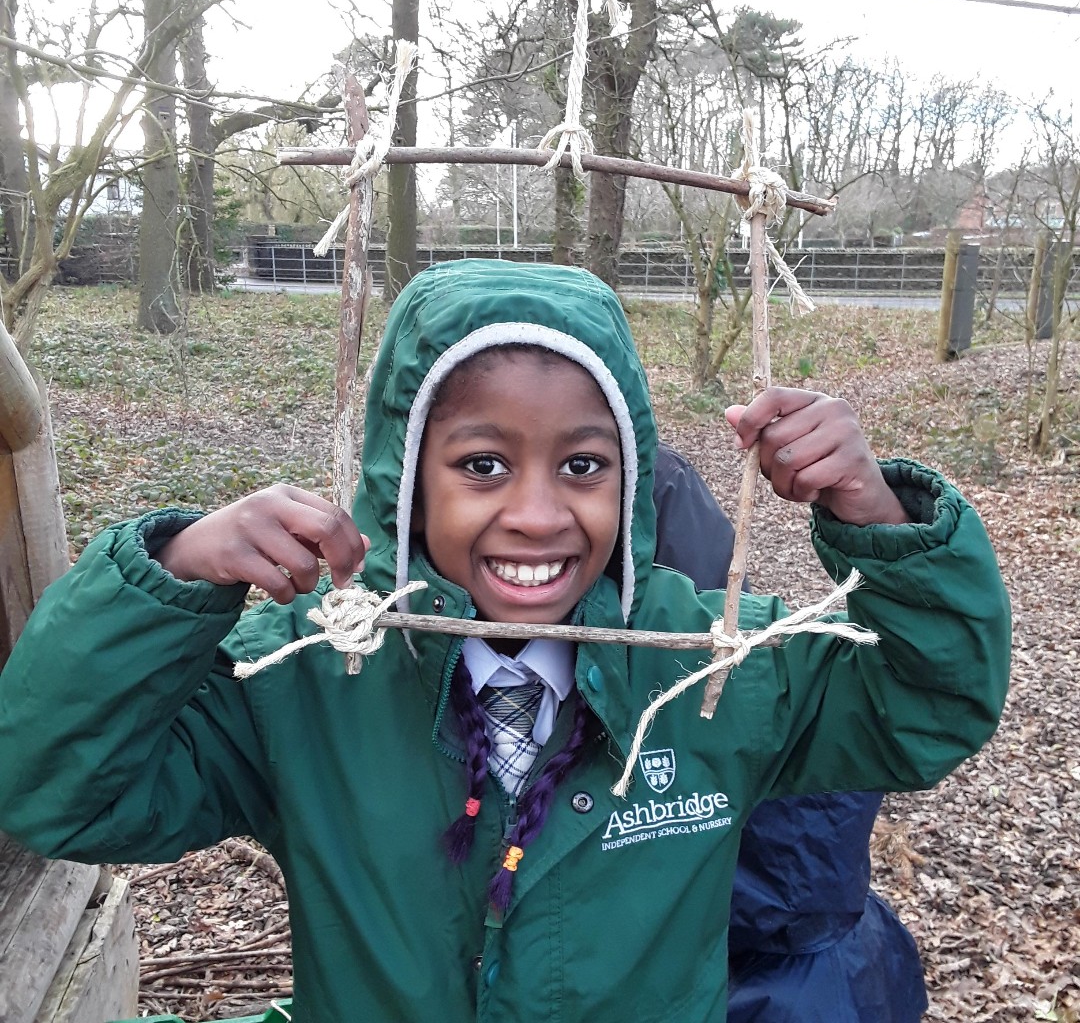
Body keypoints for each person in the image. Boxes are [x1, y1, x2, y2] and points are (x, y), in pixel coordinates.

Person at [0, 259, 1010, 1022]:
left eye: (583, 465)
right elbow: (59, 789)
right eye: (482, 464)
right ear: (407, 479)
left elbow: (928, 709)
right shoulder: (308, 677)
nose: (536, 514)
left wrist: (878, 517)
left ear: (632, 475)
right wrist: (170, 578)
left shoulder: (713, 668)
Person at [653, 443, 928, 1022]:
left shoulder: (764, 705)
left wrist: (879, 515)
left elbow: (924, 694)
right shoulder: (787, 690)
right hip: (848, 959)